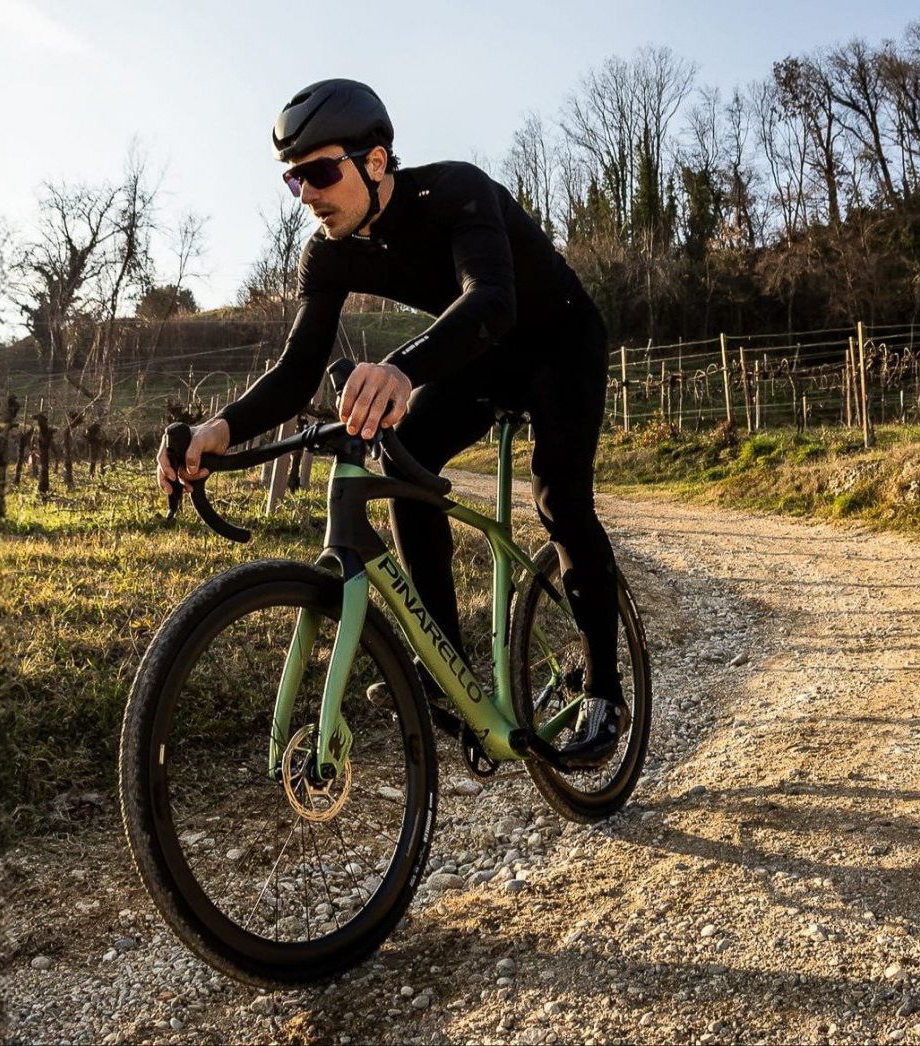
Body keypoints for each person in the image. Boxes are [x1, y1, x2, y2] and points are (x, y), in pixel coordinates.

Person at [154, 78, 625, 766]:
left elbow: (491, 300)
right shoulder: (329, 250)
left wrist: (402, 368)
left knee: (559, 494)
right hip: (483, 359)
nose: (307, 193)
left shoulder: (455, 192)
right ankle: (451, 680)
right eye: (294, 180)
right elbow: (297, 369)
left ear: (375, 162)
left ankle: (607, 692)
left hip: (558, 343)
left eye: (320, 171)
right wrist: (214, 433)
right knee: (403, 462)